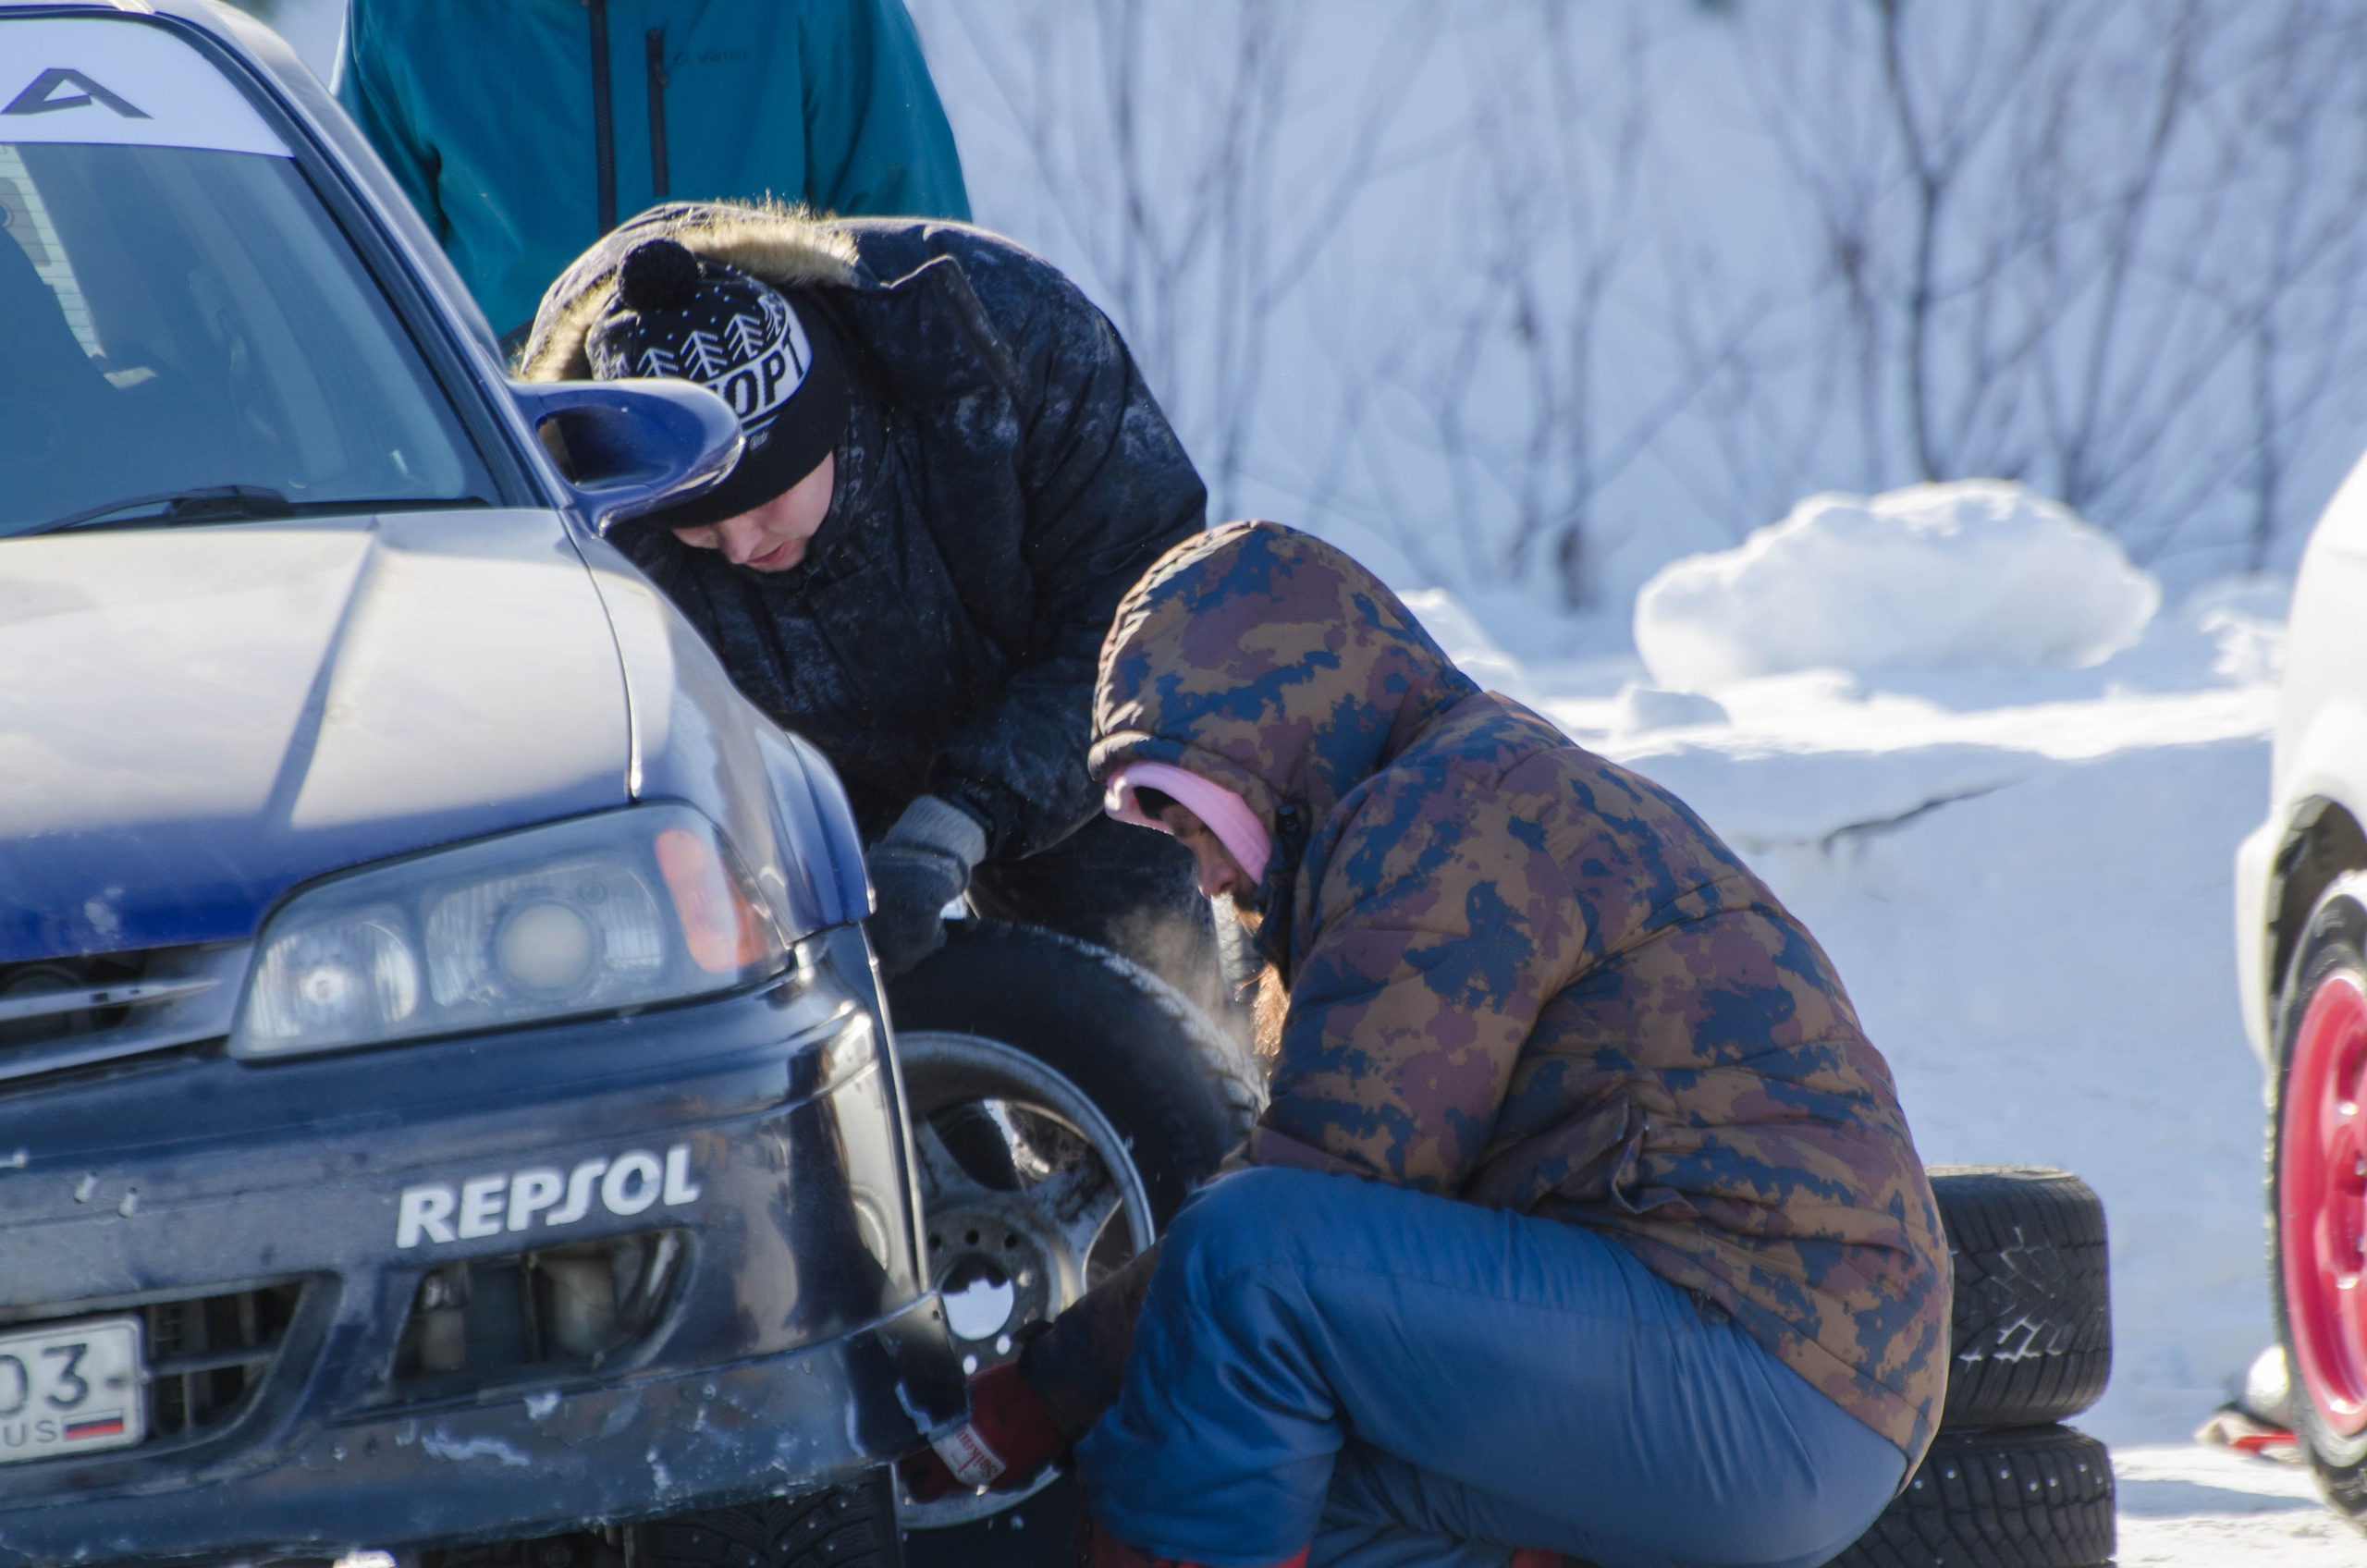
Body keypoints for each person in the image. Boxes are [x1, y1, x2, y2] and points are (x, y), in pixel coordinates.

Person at [907, 521, 1952, 1568]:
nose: (1209, 881)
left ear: (1268, 743)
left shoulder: (1453, 819)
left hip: (1751, 1357)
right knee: (1268, 1477)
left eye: (1193, 826)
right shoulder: (1461, 796)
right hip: (1793, 1404)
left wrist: (1040, 1390)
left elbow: (1326, 1192)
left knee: (1247, 1257)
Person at [515, 202, 1217, 995]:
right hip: (803, 804)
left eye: (764, 502)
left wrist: (963, 815)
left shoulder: (996, 334)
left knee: (1144, 1023)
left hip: (1064, 726)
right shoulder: (582, 504)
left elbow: (1143, 610)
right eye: (701, 529)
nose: (742, 546)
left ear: (829, 425)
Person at [335, 0, 970, 348]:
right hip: (526, 470)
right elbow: (355, 286)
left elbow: (912, 256)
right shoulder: (400, 15)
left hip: (771, 469)